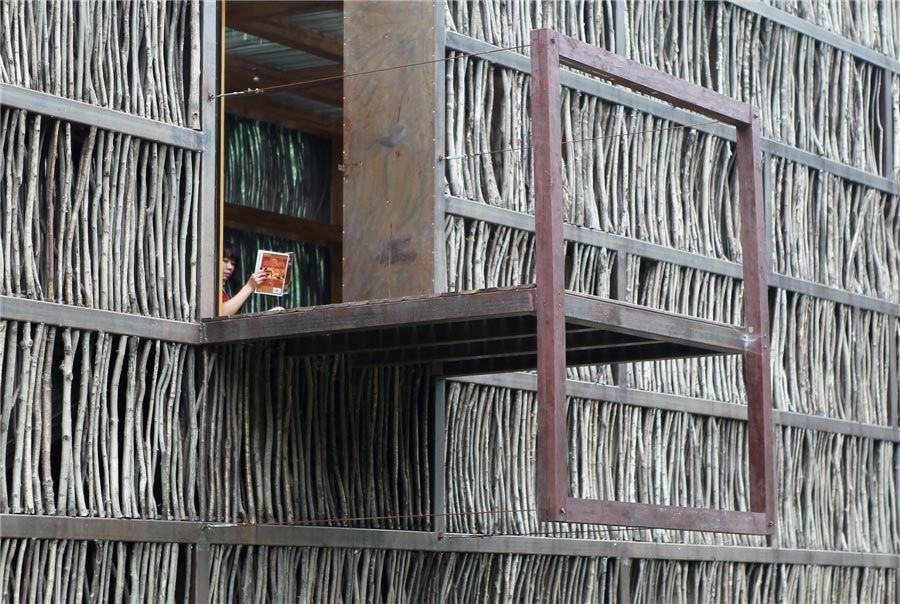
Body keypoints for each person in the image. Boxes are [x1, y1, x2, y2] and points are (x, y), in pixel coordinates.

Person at [221, 241, 267, 316]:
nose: (230, 267)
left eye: (233, 263)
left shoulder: (226, 290)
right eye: (225, 261)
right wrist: (249, 286)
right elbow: (221, 314)